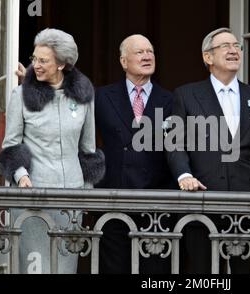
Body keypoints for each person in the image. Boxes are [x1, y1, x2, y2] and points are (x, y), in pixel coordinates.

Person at [166, 27, 250, 273]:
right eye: (225, 46)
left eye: (237, 46)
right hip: (203, 202)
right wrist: (184, 176)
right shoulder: (186, 95)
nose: (233, 50)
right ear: (208, 57)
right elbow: (175, 142)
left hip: (249, 205)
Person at [0, 28, 105, 274]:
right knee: (36, 268)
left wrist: (88, 193)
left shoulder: (83, 96)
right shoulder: (21, 95)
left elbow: (88, 149)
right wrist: (21, 175)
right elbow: (11, 145)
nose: (36, 65)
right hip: (33, 195)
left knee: (65, 267)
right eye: (34, 58)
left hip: (71, 197)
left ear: (61, 64)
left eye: (43, 60)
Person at [94, 34, 175, 274]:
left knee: (155, 273)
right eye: (139, 52)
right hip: (113, 200)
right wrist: (37, 84)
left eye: (150, 51)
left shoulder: (171, 100)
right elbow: (69, 116)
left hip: (156, 205)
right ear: (123, 61)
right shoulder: (102, 96)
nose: (147, 56)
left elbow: (178, 149)